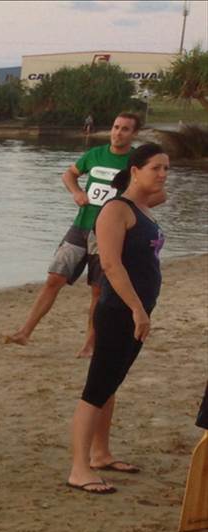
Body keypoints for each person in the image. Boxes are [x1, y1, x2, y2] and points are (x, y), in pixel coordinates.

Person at [66, 143, 169, 495]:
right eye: (156, 167)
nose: (163, 174)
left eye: (166, 168)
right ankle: (79, 468)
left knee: (111, 383)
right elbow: (110, 265)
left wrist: (143, 308)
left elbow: (144, 258)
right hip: (117, 311)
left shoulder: (143, 208)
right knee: (97, 387)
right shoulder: (115, 210)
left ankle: (100, 453)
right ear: (135, 170)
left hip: (137, 309)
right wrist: (137, 308)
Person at [4, 112, 140, 355]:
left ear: (134, 134)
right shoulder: (95, 154)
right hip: (80, 227)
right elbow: (68, 175)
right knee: (54, 278)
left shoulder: (136, 162)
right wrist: (76, 192)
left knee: (98, 290)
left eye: (125, 129)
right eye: (116, 127)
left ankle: (90, 343)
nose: (118, 133)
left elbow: (155, 194)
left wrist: (129, 211)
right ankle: (24, 332)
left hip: (108, 234)